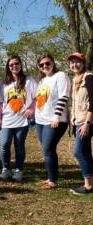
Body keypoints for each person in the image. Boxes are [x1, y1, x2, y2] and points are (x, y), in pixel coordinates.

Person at [0, 55, 37, 182]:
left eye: (16, 63)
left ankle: (19, 170)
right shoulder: (3, 83)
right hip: (7, 119)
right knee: (4, 144)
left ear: (20, 64)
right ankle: (5, 169)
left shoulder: (29, 80)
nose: (14, 66)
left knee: (19, 146)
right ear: (8, 67)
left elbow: (37, 97)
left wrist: (31, 109)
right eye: (11, 64)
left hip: (22, 121)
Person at [35, 54, 70, 189]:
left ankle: (53, 181)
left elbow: (64, 96)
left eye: (47, 63)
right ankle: (50, 177)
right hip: (40, 120)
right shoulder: (42, 80)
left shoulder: (60, 75)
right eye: (42, 65)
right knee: (47, 149)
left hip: (55, 120)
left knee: (48, 148)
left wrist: (56, 115)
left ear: (53, 63)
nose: (45, 66)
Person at [68, 52, 93, 195]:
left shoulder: (88, 77)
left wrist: (87, 123)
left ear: (83, 63)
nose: (74, 64)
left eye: (77, 62)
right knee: (86, 152)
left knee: (78, 151)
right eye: (72, 62)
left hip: (86, 121)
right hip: (79, 121)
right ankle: (89, 183)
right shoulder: (75, 79)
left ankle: (88, 186)